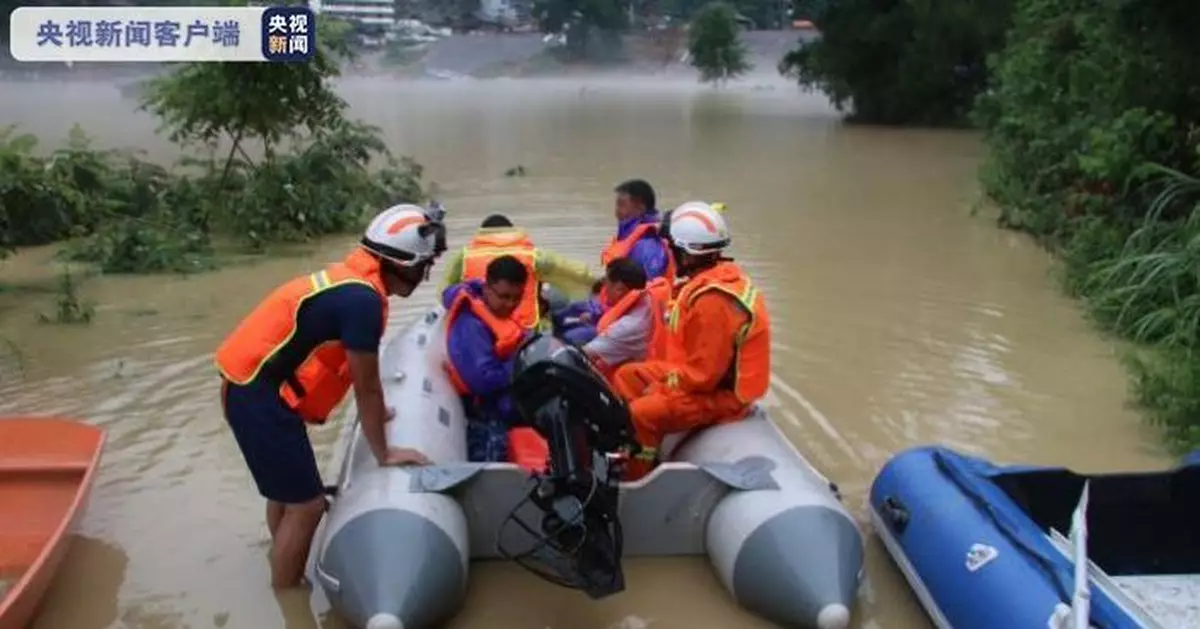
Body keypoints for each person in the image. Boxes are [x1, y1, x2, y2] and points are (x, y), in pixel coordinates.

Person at [214, 204, 446, 589]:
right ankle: (288, 595)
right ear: (401, 262)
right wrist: (384, 453)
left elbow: (366, 387)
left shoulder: (350, 284)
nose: (425, 276)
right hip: (259, 398)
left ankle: (282, 562)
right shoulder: (363, 302)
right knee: (308, 505)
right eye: (424, 266)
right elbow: (366, 385)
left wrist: (381, 412)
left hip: (249, 388)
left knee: (288, 497)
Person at [610, 201, 770, 478]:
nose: (668, 254)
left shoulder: (712, 302)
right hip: (695, 377)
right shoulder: (706, 281)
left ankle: (638, 475)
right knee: (626, 376)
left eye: (672, 248)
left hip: (721, 395)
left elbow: (704, 377)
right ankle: (631, 443)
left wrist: (662, 388)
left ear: (686, 253)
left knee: (642, 412)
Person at [442, 255, 532, 463]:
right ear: (487, 288)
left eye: (516, 298)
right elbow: (483, 380)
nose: (510, 304)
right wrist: (522, 362)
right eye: (504, 296)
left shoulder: (495, 313)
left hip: (503, 402)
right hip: (484, 416)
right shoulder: (471, 325)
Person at [440, 214, 598, 330]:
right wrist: (600, 284)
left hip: (480, 328)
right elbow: (575, 271)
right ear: (511, 232)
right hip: (529, 329)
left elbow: (443, 290)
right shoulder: (534, 255)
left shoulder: (464, 256)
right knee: (557, 300)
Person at [555, 258, 663, 379]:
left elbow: (583, 354)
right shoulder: (647, 296)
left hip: (635, 376)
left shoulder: (628, 327)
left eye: (606, 284)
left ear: (619, 289)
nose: (604, 289)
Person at [603, 179, 674, 284]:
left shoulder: (648, 246)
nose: (616, 212)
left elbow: (647, 287)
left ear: (640, 208)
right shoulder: (630, 238)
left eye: (621, 205)